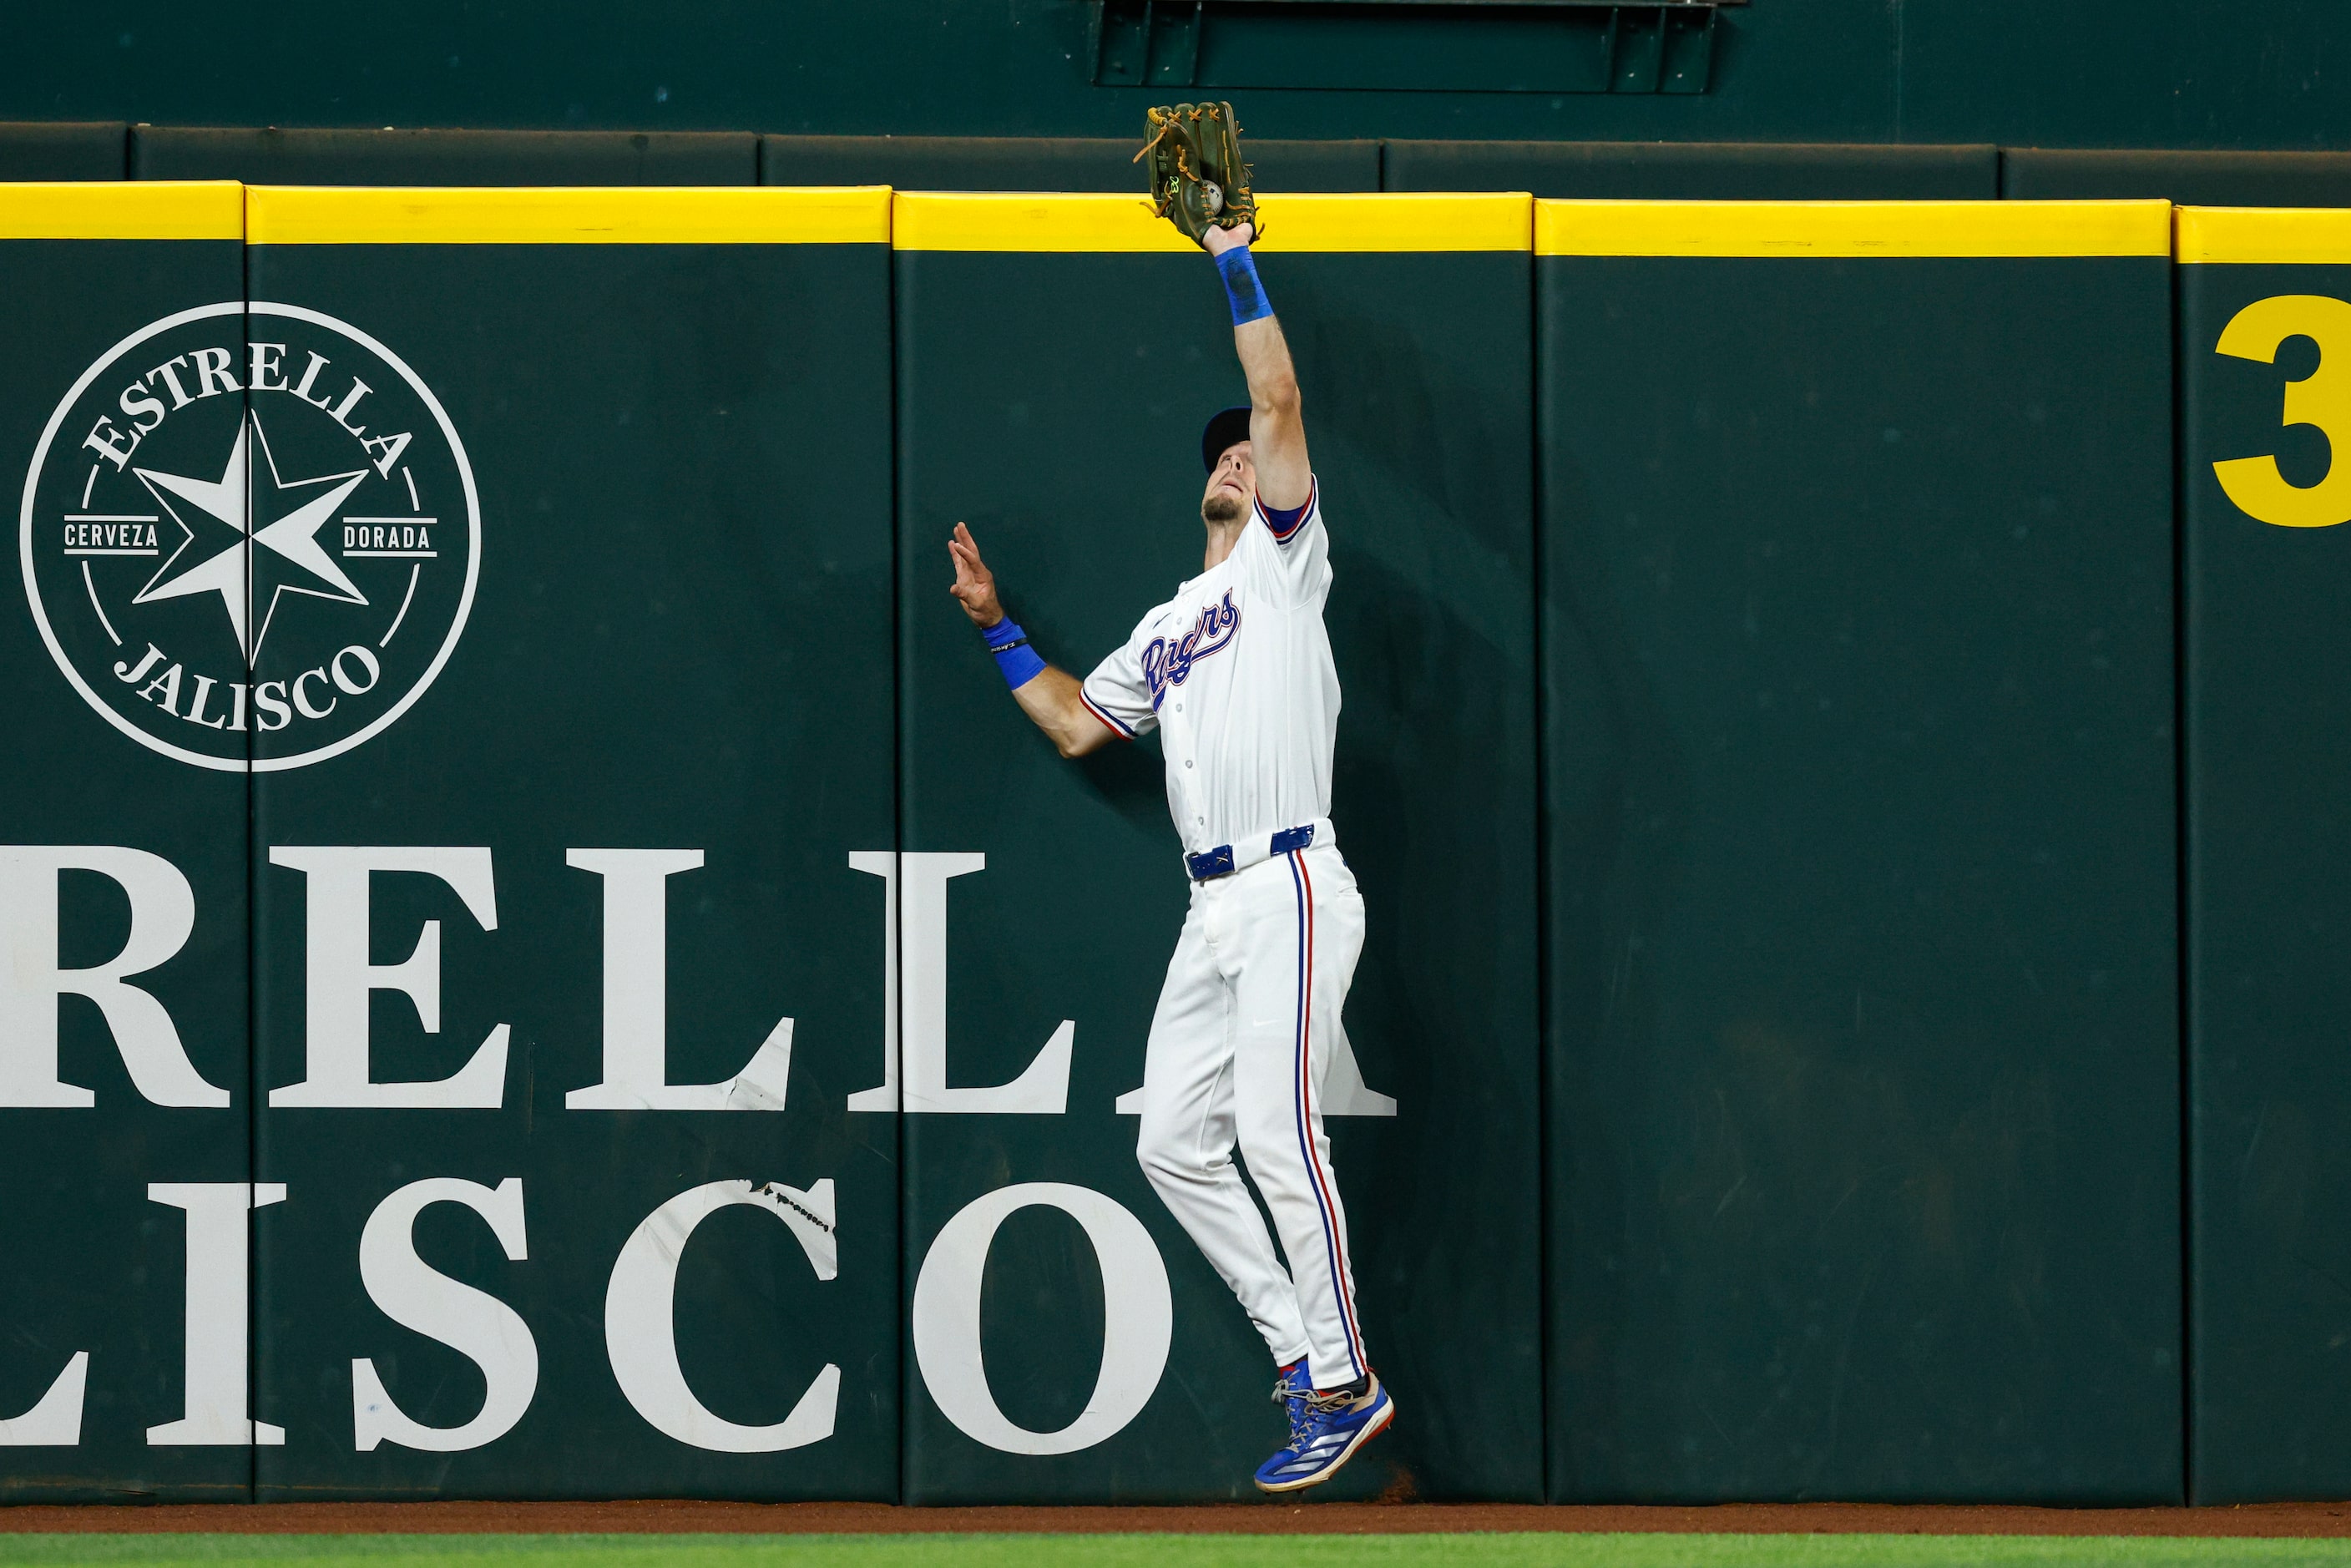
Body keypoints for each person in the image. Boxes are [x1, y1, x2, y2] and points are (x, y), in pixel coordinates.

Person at [944, 220, 1392, 1493]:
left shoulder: (1285, 567)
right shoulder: (1168, 624)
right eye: (1226, 456)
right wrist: (997, 630)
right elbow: (1084, 723)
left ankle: (1348, 1378)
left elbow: (1280, 390)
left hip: (1295, 878)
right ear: (1205, 481)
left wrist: (1231, 257)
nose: (1244, 457)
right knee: (1171, 1143)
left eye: (1255, 453)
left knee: (1274, 1126)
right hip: (1212, 909)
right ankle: (1305, 1358)